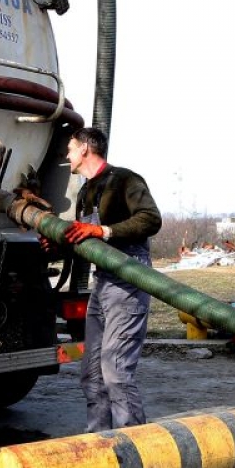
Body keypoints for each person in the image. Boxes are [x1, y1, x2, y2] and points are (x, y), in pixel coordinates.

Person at [63, 127, 162, 432]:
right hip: (103, 281)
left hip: (129, 278)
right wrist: (57, 245)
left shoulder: (125, 180)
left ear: (85, 149)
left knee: (115, 371)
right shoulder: (85, 191)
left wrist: (103, 231)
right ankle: (100, 445)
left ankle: (133, 444)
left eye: (70, 148)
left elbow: (151, 219)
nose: (67, 155)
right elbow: (85, 238)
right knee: (92, 374)